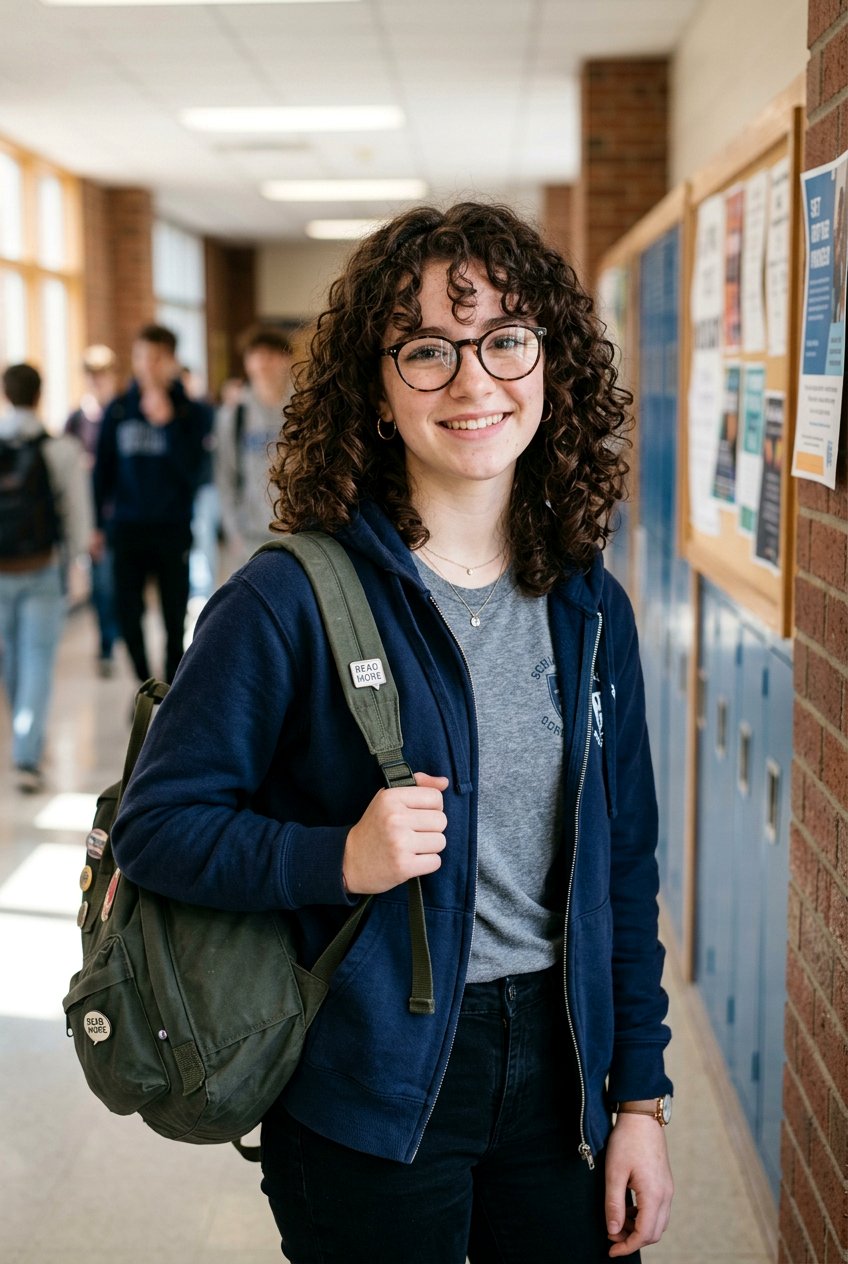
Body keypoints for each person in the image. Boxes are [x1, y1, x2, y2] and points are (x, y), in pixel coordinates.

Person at [111, 202, 674, 1262]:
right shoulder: (285, 599)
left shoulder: (587, 603)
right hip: (367, 1087)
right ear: (375, 391)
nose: (473, 382)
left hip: (563, 1076)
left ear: (547, 364)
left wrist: (637, 1097)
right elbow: (159, 827)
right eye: (427, 351)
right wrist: (339, 856)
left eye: (505, 339)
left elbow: (623, 866)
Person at [92, 323, 209, 684]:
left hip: (172, 528)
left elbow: (195, 473)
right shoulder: (117, 411)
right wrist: (97, 525)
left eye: (158, 358)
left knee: (175, 616)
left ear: (172, 362)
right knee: (128, 613)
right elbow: (102, 473)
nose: (148, 365)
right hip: (127, 528)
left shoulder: (192, 412)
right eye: (142, 356)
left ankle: (171, 686)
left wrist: (169, 424)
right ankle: (144, 683)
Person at [0, 363, 92, 791]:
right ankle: (26, 754)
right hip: (41, 567)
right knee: (36, 658)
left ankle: (24, 733)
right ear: (39, 394)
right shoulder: (60, 448)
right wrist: (77, 561)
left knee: (10, 657)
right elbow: (76, 512)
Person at [215, 325, 293, 567]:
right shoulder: (233, 414)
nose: (262, 364)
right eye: (255, 356)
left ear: (286, 359)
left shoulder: (304, 409)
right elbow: (225, 475)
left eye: (270, 355)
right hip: (249, 534)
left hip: (296, 530)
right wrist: (232, 530)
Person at [65, 344, 121, 675]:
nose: (97, 380)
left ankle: (121, 637)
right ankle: (106, 645)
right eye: (91, 374)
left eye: (102, 373)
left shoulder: (121, 413)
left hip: (123, 514)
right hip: (92, 515)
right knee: (102, 583)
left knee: (121, 583)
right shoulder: (75, 421)